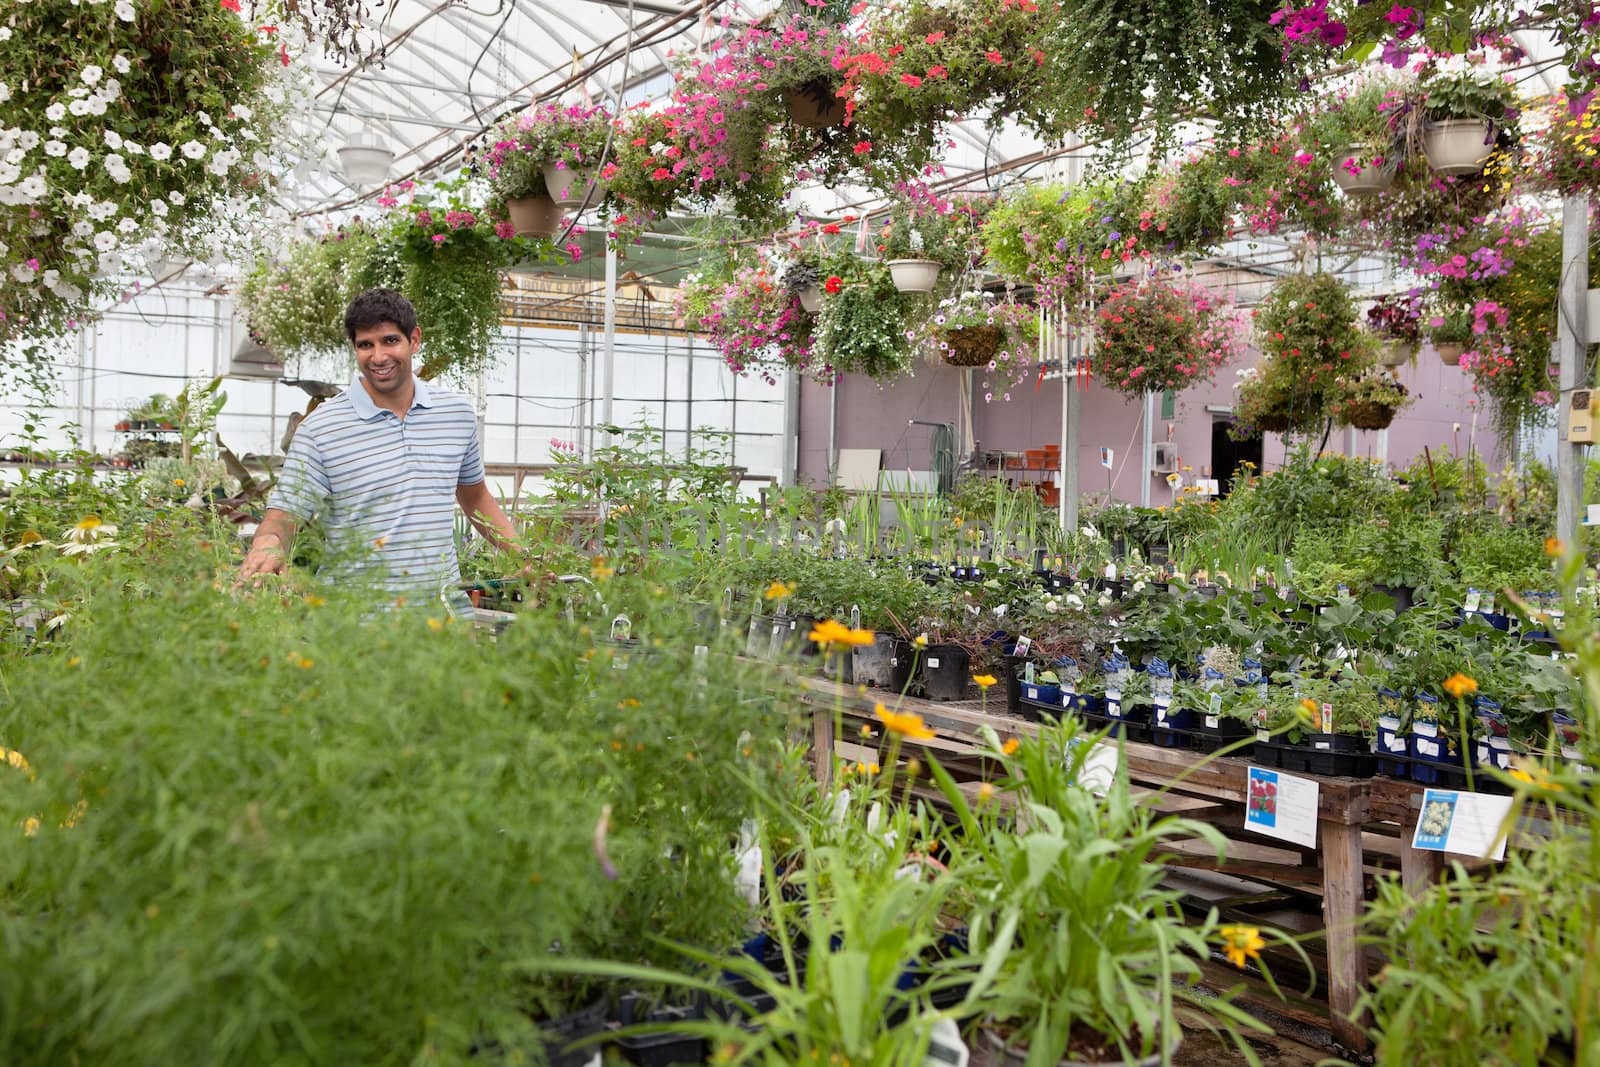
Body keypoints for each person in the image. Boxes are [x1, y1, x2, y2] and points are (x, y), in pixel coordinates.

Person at [239, 288, 521, 609]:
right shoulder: (321, 429)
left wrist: (525, 557)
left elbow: (474, 496)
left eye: (389, 340)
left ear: (414, 340)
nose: (378, 357)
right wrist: (267, 545)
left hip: (442, 615)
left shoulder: (456, 415)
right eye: (365, 345)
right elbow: (284, 515)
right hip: (356, 622)